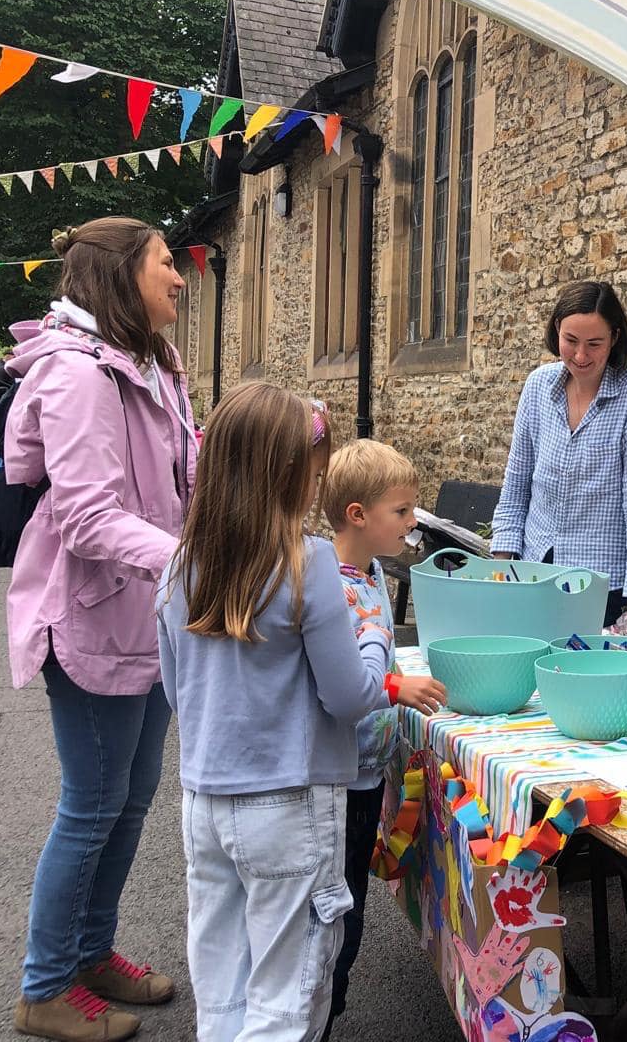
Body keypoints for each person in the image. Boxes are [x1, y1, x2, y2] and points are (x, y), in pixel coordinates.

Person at [157, 385, 414, 1042]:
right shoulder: (310, 563)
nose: (318, 485)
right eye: (315, 473)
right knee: (287, 998)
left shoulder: (179, 564)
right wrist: (375, 642)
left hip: (206, 800)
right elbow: (349, 697)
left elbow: (177, 692)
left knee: (223, 990)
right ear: (287, 474)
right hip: (291, 804)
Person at [6, 218, 193, 1042]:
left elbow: (183, 476)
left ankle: (90, 955)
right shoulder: (80, 375)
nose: (180, 277)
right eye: (166, 263)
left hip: (148, 613)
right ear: (122, 275)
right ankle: (44, 989)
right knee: (92, 806)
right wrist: (194, 561)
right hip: (89, 617)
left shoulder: (155, 363)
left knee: (131, 799)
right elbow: (87, 517)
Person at [319, 439, 446, 1038]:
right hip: (340, 781)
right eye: (401, 510)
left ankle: (323, 1009)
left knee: (349, 904)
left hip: (368, 772)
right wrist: (396, 686)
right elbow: (338, 683)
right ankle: (317, 1016)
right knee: (336, 913)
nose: (413, 521)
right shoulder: (330, 589)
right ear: (357, 514)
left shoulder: (369, 572)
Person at [491, 280, 627, 637]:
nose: (580, 355)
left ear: (615, 337)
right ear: (557, 328)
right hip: (534, 572)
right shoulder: (538, 386)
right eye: (570, 340)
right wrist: (499, 572)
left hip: (602, 585)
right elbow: (516, 484)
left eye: (594, 344)